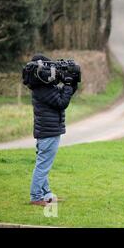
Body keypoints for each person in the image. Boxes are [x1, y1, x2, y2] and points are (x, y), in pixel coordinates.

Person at [28, 54, 78, 206]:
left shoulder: (44, 86)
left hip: (48, 130)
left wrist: (71, 84)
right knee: (43, 165)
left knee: (42, 164)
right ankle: (36, 197)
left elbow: (63, 95)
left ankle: (46, 194)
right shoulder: (43, 89)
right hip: (48, 132)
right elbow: (62, 102)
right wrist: (68, 86)